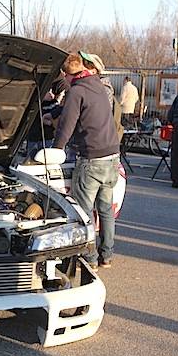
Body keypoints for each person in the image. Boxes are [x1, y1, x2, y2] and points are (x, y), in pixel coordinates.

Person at [53, 53, 120, 271]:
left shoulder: (76, 91)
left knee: (84, 211)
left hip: (91, 158)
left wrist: (55, 151)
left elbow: (66, 126)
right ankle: (107, 256)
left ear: (68, 74)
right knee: (105, 210)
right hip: (112, 156)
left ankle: (89, 259)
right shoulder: (99, 86)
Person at [78, 51, 124, 142]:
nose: (81, 68)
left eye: (85, 65)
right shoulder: (83, 87)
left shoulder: (104, 90)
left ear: (94, 70)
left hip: (96, 143)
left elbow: (102, 118)